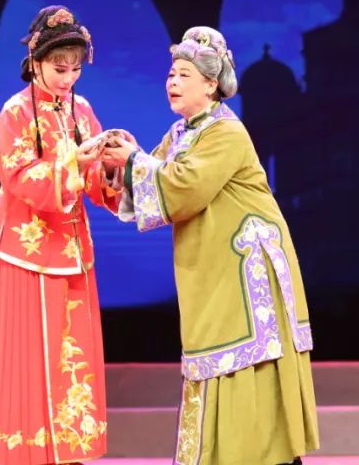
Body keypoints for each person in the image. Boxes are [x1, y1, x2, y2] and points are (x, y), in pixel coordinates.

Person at [101, 26, 319, 465]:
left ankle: (259, 455)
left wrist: (134, 161)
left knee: (243, 358)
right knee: (215, 355)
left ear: (211, 84)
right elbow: (153, 178)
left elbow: (184, 187)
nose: (172, 81)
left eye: (184, 74)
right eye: (171, 74)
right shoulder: (182, 133)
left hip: (244, 270)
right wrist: (117, 161)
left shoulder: (226, 132)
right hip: (212, 264)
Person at [0, 5, 122, 465]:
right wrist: (73, 161)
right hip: (26, 250)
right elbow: (19, 177)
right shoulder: (15, 113)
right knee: (32, 359)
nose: (68, 78)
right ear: (36, 61)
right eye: (60, 68)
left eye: (76, 69)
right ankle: (29, 454)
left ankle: (70, 452)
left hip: (73, 248)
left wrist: (110, 165)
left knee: (73, 357)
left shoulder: (82, 109)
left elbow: (93, 183)